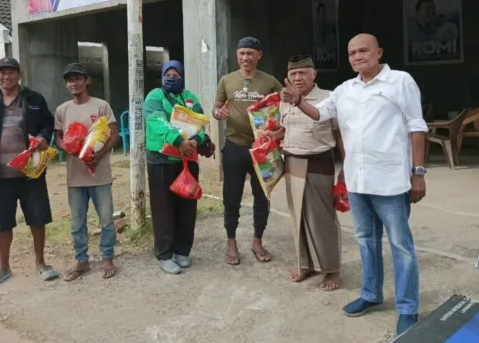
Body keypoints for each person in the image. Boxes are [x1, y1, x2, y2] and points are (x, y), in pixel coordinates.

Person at [281, 34, 428, 337]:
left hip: (390, 181)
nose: (358, 56)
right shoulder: (345, 90)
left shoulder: (400, 81)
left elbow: (416, 127)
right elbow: (321, 114)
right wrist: (298, 101)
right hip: (358, 181)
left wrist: (418, 173)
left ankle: (407, 307)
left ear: (379, 53)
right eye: (352, 53)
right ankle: (371, 294)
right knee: (365, 240)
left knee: (400, 246)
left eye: (364, 50)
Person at [0, 57, 58, 286]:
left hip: (30, 173)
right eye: (1, 73)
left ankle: (41, 264)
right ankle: (3, 268)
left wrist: (43, 137)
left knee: (37, 219)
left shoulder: (33, 99)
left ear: (19, 74)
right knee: (2, 223)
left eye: (10, 72)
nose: (6, 76)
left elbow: (47, 123)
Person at [213, 37, 284, 265]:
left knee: (262, 197)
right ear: (237, 55)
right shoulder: (226, 80)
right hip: (234, 147)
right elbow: (216, 108)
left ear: (259, 55)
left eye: (250, 53)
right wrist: (218, 114)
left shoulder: (270, 82)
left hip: (262, 149)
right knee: (231, 197)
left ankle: (257, 241)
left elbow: (284, 109)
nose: (245, 58)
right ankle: (231, 242)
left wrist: (278, 131)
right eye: (242, 53)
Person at [280, 55, 344, 291]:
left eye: (303, 73)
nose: (297, 78)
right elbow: (284, 129)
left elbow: (340, 135)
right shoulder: (284, 99)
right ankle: (305, 264)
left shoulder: (328, 98)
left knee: (322, 219)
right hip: (292, 161)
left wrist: (345, 168)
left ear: (314, 74)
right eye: (293, 74)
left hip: (319, 162)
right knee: (298, 218)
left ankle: (331, 268)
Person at [54, 63, 119, 281]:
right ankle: (81, 260)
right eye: (70, 80)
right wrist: (68, 148)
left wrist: (98, 156)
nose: (74, 83)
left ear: (87, 80)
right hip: (75, 177)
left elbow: (113, 134)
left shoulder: (101, 106)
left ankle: (107, 257)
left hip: (99, 175)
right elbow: (58, 137)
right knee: (77, 222)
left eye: (78, 79)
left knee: (106, 219)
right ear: (66, 84)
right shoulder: (63, 110)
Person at [144, 60, 206, 275]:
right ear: (162, 76)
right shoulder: (155, 96)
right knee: (163, 209)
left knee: (187, 208)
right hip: (161, 161)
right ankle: (165, 254)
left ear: (182, 76)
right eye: (168, 74)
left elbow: (200, 122)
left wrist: (196, 140)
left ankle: (182, 251)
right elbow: (156, 121)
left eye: (176, 74)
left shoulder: (190, 97)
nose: (172, 77)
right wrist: (180, 141)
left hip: (187, 161)